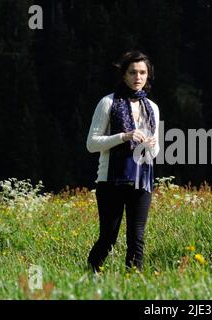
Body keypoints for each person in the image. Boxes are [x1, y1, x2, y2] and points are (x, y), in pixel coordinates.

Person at [86, 50, 160, 273]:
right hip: (111, 180)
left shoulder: (152, 107)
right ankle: (91, 273)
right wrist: (124, 137)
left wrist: (151, 145)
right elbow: (92, 143)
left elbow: (155, 152)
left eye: (143, 73)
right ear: (124, 75)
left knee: (137, 238)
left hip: (142, 179)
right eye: (133, 72)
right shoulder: (108, 103)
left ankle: (133, 285)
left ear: (148, 76)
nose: (138, 77)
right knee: (108, 238)